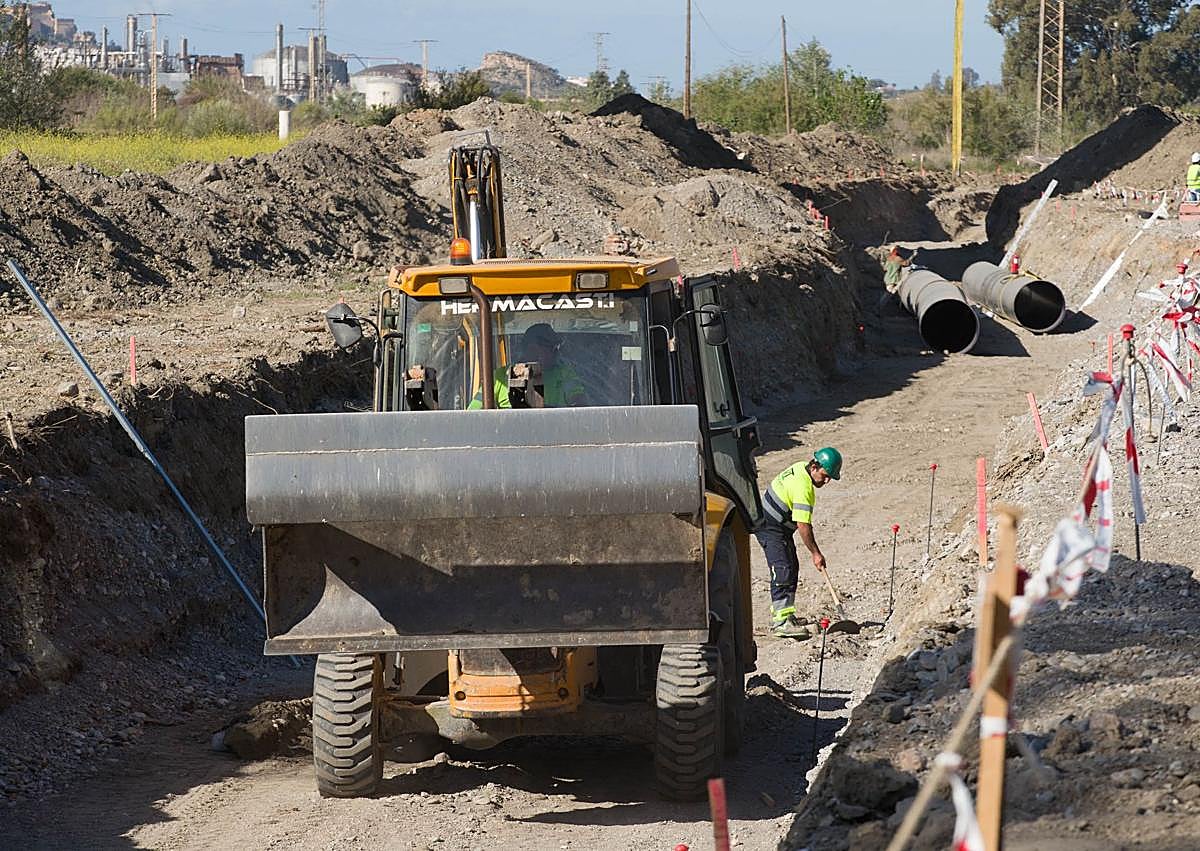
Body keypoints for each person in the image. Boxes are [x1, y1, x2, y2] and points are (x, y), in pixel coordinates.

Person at [754, 447, 843, 639]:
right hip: (770, 526)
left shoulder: (801, 467)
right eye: (826, 476)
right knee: (783, 568)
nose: (826, 481)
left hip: (778, 526)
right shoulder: (804, 488)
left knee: (792, 565)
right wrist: (815, 553)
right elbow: (804, 526)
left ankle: (788, 615)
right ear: (815, 466)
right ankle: (781, 622)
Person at [470, 322, 585, 408]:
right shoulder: (498, 378)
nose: (557, 353)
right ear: (533, 349)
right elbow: (473, 416)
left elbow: (580, 408)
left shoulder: (564, 373)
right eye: (553, 348)